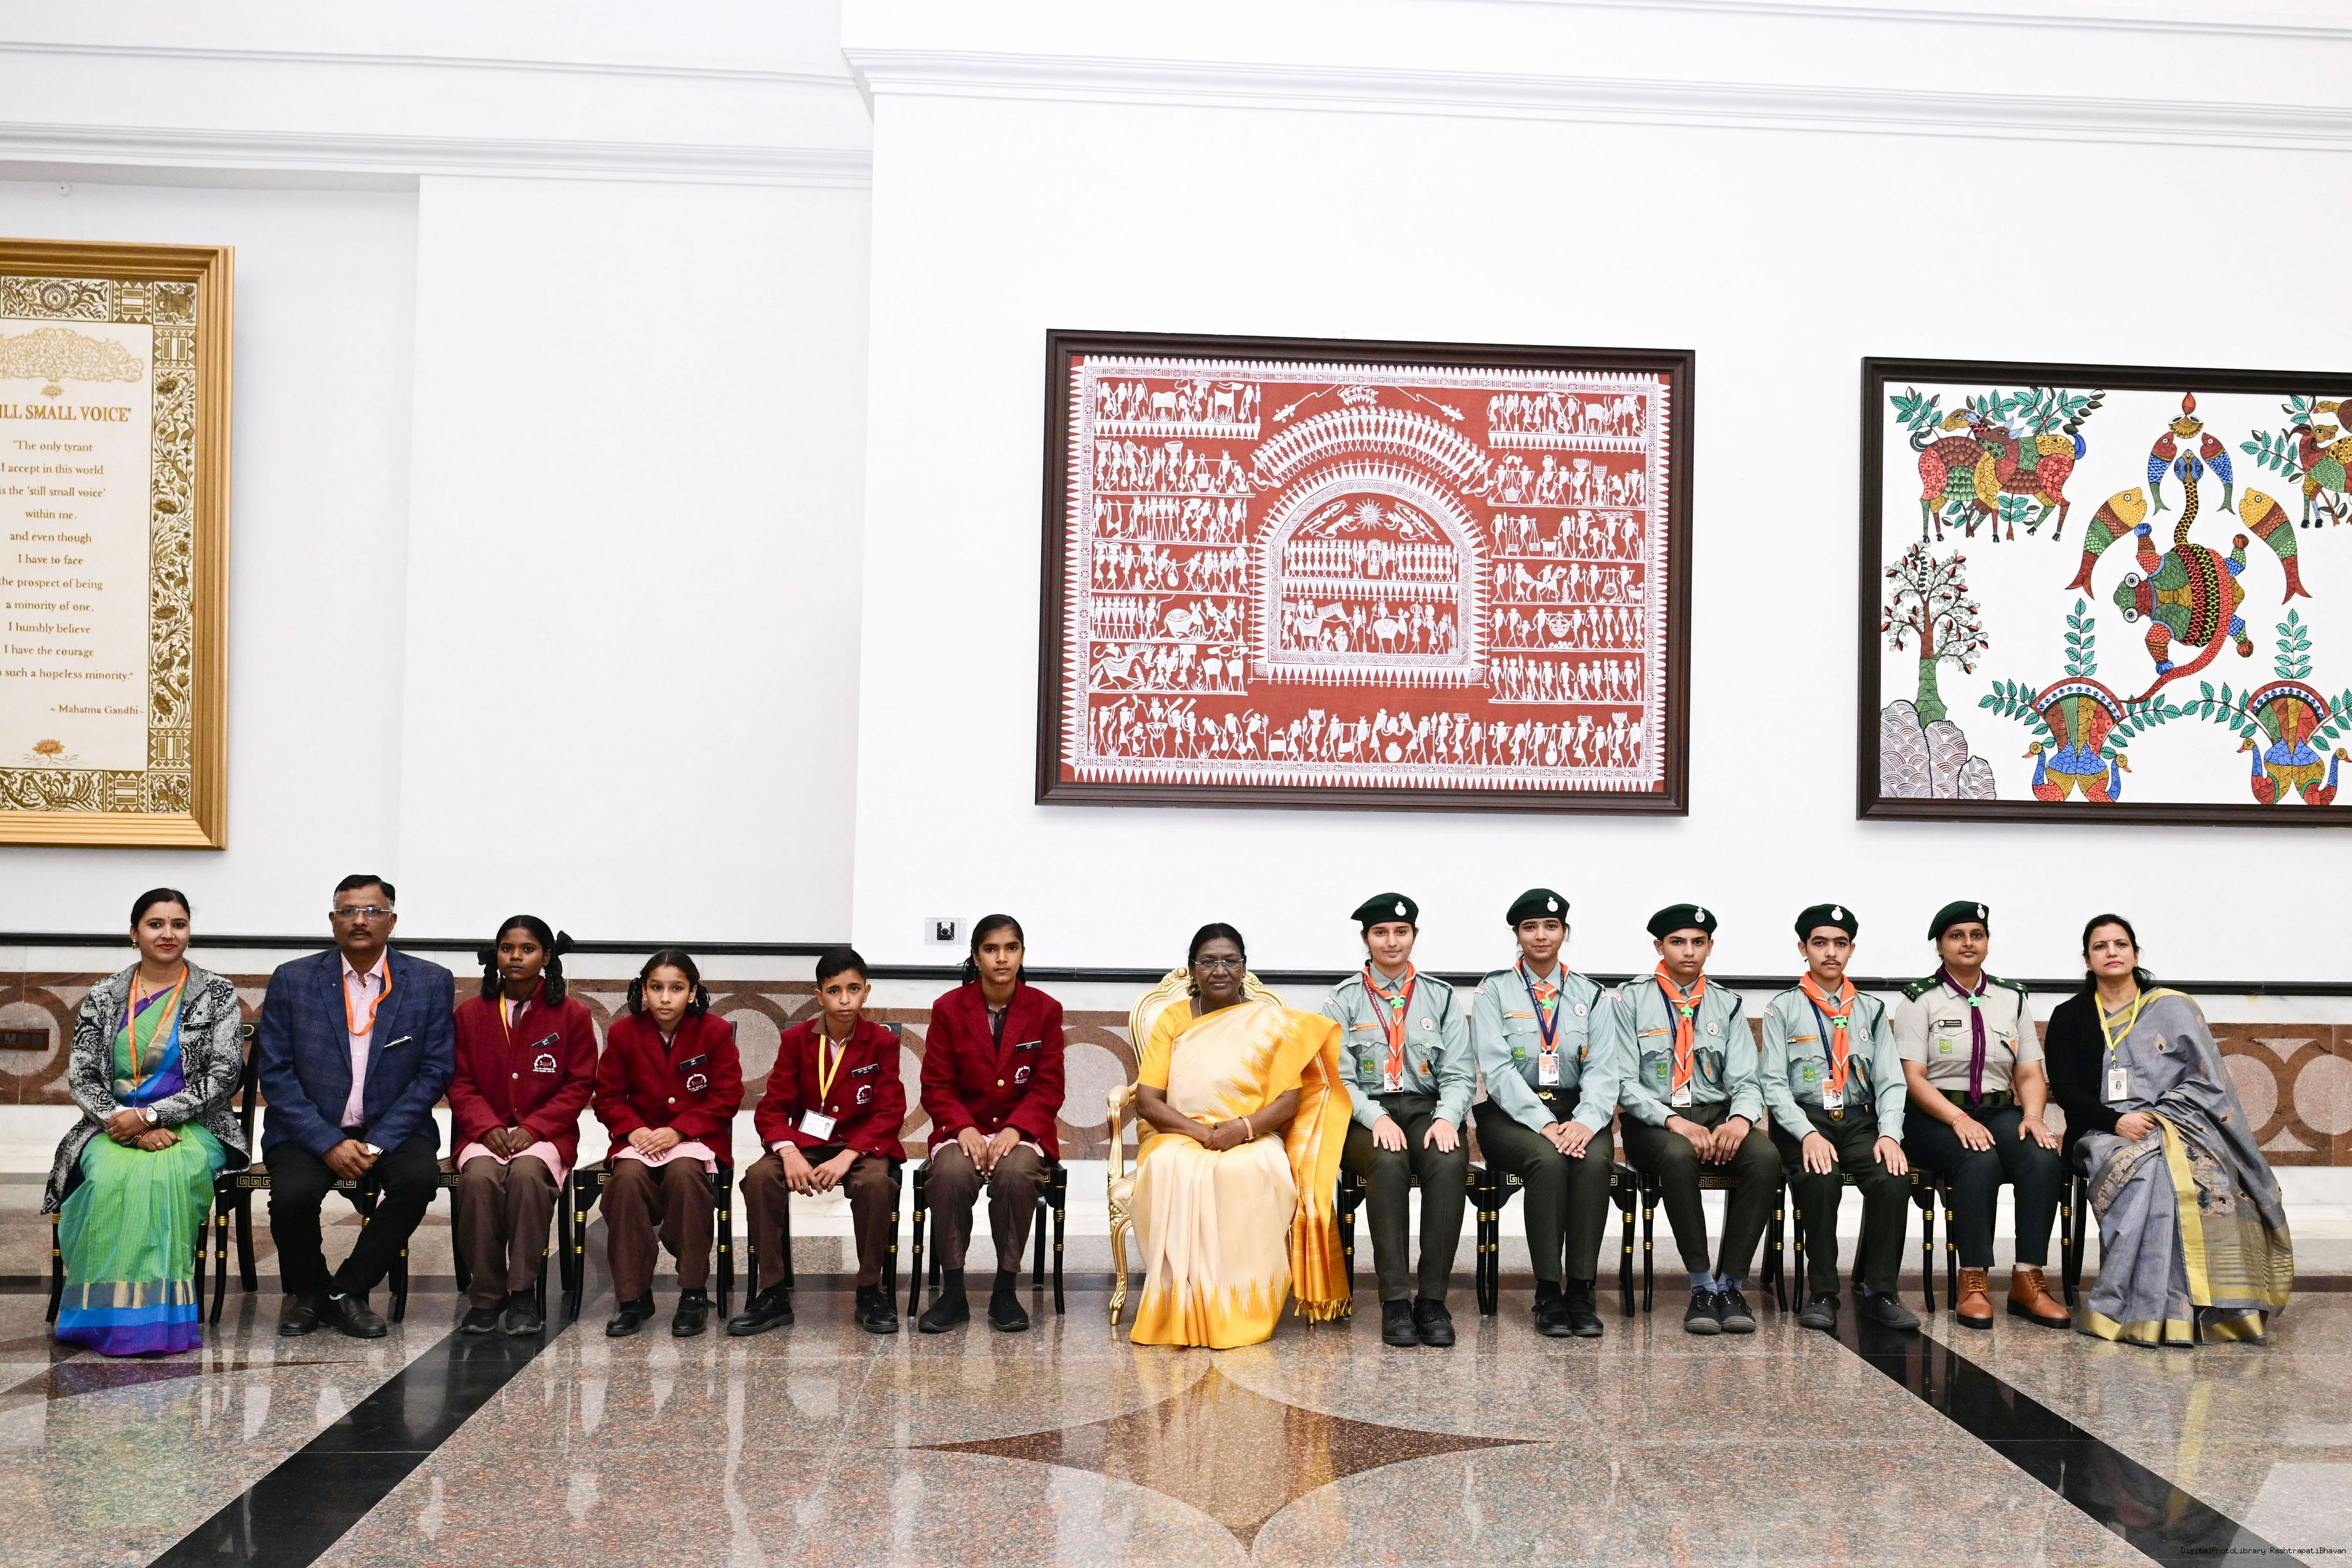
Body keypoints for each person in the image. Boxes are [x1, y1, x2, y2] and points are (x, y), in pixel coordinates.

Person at [2066, 915, 2292, 1345]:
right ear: (2087, 959)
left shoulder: (2171, 1007)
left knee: (2207, 1174)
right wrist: (2117, 1121)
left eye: (2120, 944)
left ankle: (2211, 1307)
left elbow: (2207, 1079)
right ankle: (2138, 1308)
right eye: (2100, 946)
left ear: (2135, 954)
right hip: (2102, 1131)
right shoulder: (2071, 1015)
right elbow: (2066, 1089)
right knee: (2146, 1170)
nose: (2111, 952)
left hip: (2178, 1122)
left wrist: (2163, 1117)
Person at [45, 889, 248, 1355]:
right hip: (111, 1124)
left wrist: (153, 1115)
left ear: (189, 931)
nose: (168, 934)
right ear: (134, 933)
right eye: (156, 924)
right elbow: (82, 1076)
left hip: (196, 1123)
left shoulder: (216, 993)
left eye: (179, 924)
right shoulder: (104, 994)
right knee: (108, 1178)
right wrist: (127, 1122)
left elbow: (223, 1076)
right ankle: (99, 1319)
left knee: (166, 1175)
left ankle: (157, 1323)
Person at [1130, 924, 1349, 1349]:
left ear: (1244, 967)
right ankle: (1181, 1306)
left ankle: (1242, 1306)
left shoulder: (1269, 1021)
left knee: (1254, 1168)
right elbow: (1148, 1101)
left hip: (1251, 1133)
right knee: (1170, 1166)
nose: (1220, 970)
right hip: (1178, 1131)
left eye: (1230, 961)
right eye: (1208, 961)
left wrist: (1242, 1129)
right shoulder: (1172, 1019)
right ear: (1192, 968)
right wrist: (1202, 1133)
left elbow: (1289, 1100)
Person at [257, 875, 455, 1339]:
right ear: (333, 920)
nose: (360, 920)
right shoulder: (294, 979)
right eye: (348, 911)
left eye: (372, 911)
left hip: (394, 1127)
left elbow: (434, 1072)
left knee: (418, 1180)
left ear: (392, 920)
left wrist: (379, 1142)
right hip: (308, 1127)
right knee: (292, 1195)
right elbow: (276, 1073)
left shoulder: (429, 981)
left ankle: (346, 1290)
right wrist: (328, 1142)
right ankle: (308, 1291)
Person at [1894, 901, 2069, 1330]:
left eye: (1977, 934)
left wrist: (2033, 1115)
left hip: (1998, 1110)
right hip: (1933, 1115)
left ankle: (2028, 1277)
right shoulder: (1919, 999)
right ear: (1940, 946)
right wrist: (1958, 1119)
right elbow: (1912, 1077)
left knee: (2042, 1157)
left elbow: (2028, 1071)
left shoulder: (2011, 998)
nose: (1968, 943)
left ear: (1987, 942)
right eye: (1956, 936)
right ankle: (1972, 1279)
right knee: (1978, 1158)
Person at [1609, 903, 1777, 1335]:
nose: (1688, 951)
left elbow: (1746, 1080)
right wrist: (1674, 1122)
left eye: (1698, 942)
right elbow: (1623, 1082)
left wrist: (1740, 1121)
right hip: (1654, 1124)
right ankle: (1701, 1285)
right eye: (1677, 942)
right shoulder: (1630, 1000)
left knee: (1765, 1158)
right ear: (1658, 946)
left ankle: (1731, 1285)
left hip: (1716, 1117)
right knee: (1677, 1155)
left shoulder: (1726, 1004)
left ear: (1710, 947)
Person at [1319, 892, 1472, 1349]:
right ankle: (1395, 1301)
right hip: (1364, 1116)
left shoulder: (1440, 997)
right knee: (1387, 1163)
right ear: (1366, 939)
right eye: (1380, 933)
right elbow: (1337, 1078)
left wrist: (1447, 1118)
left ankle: (1432, 1301)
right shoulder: (1342, 1001)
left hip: (1427, 1110)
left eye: (1401, 932)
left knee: (1447, 1161)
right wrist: (1375, 1117)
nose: (1391, 942)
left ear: (1414, 936)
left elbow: (1460, 1073)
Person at [1757, 903, 1919, 1333]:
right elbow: (1773, 1083)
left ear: (1851, 950)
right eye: (1820, 943)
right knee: (1820, 1178)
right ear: (1803, 948)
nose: (1830, 952)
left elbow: (1890, 1081)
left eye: (1840, 943)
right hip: (1804, 1121)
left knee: (1892, 1177)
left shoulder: (1870, 1010)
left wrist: (1890, 1134)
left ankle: (1880, 1291)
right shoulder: (1782, 1009)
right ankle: (1823, 1292)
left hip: (1859, 1122)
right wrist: (1806, 1133)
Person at [1469, 887, 1620, 1339]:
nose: (1540, 935)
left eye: (1551, 926)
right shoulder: (1494, 991)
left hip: (1579, 1112)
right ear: (1517, 934)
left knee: (1593, 1161)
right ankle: (1549, 1291)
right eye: (1530, 927)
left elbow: (1602, 1070)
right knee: (1548, 1161)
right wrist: (1546, 1124)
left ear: (1564, 932)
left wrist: (1585, 1122)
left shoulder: (1591, 994)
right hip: (1511, 1116)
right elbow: (1497, 1071)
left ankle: (1581, 1290)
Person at [732, 946, 906, 1337]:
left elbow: (890, 1110)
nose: (845, 1000)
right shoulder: (796, 1040)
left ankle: (869, 1290)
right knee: (759, 1178)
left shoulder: (881, 1042)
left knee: (876, 1184)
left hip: (861, 1146)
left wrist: (848, 1156)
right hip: (805, 1143)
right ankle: (773, 1292)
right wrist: (788, 1151)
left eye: (853, 989)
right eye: (834, 991)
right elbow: (772, 1107)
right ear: (819, 995)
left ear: (866, 992)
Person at [447, 915, 597, 1337]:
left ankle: (522, 1293)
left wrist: (535, 1127)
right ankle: (485, 1296)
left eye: (527, 949)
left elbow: (580, 1083)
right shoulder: (470, 1014)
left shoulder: (573, 1014)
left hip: (545, 1133)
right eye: (507, 948)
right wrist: (484, 1126)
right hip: (485, 1132)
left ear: (546, 957)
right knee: (478, 1180)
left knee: (528, 1176)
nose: (515, 956)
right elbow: (459, 1082)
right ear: (495, 955)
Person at [915, 915, 1063, 1335]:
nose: (1002, 958)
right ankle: (953, 1293)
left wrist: (1015, 1130)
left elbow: (1049, 1087)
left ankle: (1005, 1290)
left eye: (1011, 948)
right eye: (991, 949)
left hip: (1022, 1132)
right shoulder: (948, 1008)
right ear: (976, 956)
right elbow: (936, 1085)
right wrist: (962, 1127)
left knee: (1016, 1175)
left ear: (1022, 954)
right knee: (949, 1174)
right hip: (961, 1128)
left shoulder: (1045, 1009)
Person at [593, 949, 742, 1338]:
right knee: (625, 1182)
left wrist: (680, 1130)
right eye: (656, 988)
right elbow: (607, 1097)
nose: (665, 998)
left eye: (676, 989)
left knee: (685, 1177)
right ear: (643, 991)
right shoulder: (624, 1033)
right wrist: (632, 1129)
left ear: (692, 993)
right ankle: (632, 1297)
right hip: (640, 1140)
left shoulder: (714, 1031)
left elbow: (727, 1096)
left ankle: (692, 1292)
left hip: (693, 1139)